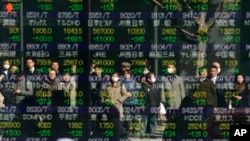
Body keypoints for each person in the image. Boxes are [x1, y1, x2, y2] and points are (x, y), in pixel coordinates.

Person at [99, 72, 131, 139]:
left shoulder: (121, 85)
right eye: (113, 76)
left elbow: (125, 95)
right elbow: (102, 95)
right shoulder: (107, 85)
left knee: (117, 124)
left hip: (118, 108)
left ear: (119, 77)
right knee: (109, 123)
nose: (114, 77)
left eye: (116, 76)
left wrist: (119, 100)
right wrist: (103, 103)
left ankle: (117, 137)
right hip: (108, 108)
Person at [140, 72, 164, 139]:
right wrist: (142, 104)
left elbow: (158, 97)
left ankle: (152, 133)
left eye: (154, 77)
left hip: (155, 106)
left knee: (153, 121)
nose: (154, 78)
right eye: (152, 77)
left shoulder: (156, 86)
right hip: (146, 106)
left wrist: (159, 106)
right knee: (144, 121)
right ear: (149, 79)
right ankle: (142, 134)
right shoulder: (143, 86)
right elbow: (141, 97)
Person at [121, 70, 141, 136]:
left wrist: (131, 94)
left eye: (127, 74)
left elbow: (138, 92)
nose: (126, 75)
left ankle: (136, 130)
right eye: (125, 74)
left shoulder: (135, 81)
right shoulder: (121, 82)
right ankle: (129, 130)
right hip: (125, 102)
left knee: (135, 117)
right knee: (127, 117)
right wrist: (126, 94)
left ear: (130, 75)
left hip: (134, 102)